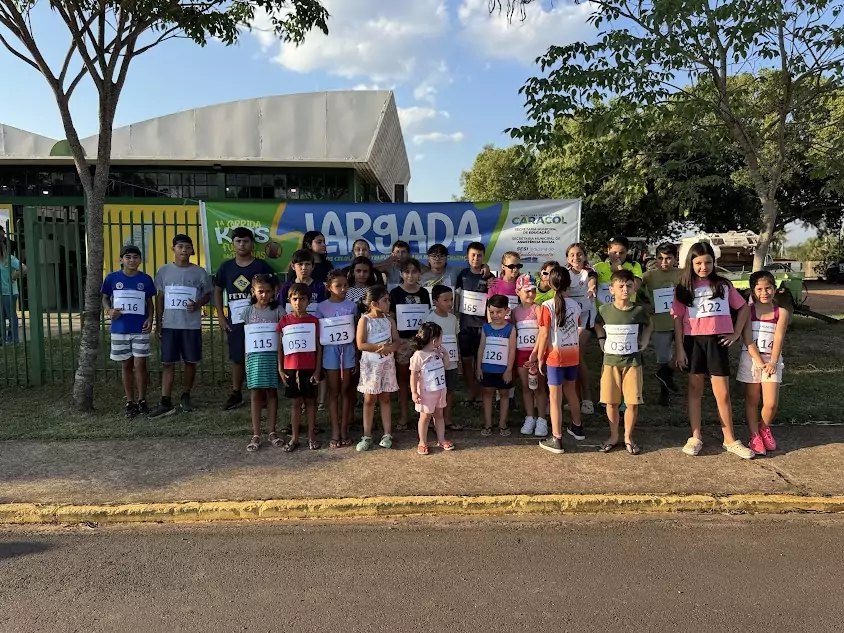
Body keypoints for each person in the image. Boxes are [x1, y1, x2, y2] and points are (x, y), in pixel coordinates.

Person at [672, 242, 754, 459]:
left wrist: (736, 333)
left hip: (718, 343)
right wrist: (679, 349)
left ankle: (729, 439)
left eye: (708, 262)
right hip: (693, 342)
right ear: (690, 263)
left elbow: (743, 307)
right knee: (695, 389)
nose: (703, 267)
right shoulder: (683, 287)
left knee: (723, 393)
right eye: (698, 263)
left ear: (713, 263)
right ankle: (695, 436)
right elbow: (678, 320)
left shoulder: (723, 285)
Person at [149, 235, 212, 418]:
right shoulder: (164, 271)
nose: (184, 250)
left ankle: (186, 394)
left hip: (191, 326)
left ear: (193, 250)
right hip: (169, 325)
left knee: (190, 361)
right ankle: (165, 400)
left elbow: (208, 295)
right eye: (180, 246)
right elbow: (160, 298)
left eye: (188, 247)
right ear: (173, 249)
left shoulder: (200, 273)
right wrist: (158, 324)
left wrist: (199, 303)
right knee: (168, 362)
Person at [213, 227, 275, 411]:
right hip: (236, 321)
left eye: (246, 241)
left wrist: (267, 308)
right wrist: (221, 316)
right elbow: (217, 290)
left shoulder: (261, 266)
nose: (242, 244)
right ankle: (236, 392)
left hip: (259, 321)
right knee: (238, 357)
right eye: (238, 241)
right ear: (233, 244)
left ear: (252, 244)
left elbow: (275, 287)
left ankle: (262, 393)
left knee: (260, 355)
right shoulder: (226, 267)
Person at [594, 269, 653, 455]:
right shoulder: (604, 310)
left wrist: (645, 339)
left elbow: (649, 323)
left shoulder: (638, 310)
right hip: (610, 362)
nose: (625, 289)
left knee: (631, 402)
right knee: (611, 402)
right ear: (611, 289)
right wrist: (601, 338)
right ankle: (613, 436)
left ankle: (628, 436)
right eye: (620, 286)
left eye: (629, 285)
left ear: (634, 287)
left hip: (633, 363)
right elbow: (597, 323)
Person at [101, 244, 155, 417]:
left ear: (140, 260)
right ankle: (129, 402)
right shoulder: (112, 278)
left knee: (140, 364)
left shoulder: (145, 279)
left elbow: (150, 303)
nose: (132, 260)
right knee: (126, 364)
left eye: (135, 257)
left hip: (140, 329)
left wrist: (149, 318)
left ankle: (142, 400)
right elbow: (104, 298)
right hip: (120, 329)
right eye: (128, 257)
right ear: (121, 259)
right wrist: (108, 310)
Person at [738, 271, 789, 455]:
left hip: (772, 362)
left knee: (771, 403)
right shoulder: (747, 311)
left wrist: (773, 361)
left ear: (775, 289)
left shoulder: (781, 312)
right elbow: (748, 340)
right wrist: (759, 363)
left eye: (768, 288)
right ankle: (754, 435)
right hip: (751, 361)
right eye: (759, 289)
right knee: (752, 399)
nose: (764, 292)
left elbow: (779, 336)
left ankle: (764, 428)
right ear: (753, 291)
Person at [535, 267, 583, 454]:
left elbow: (544, 334)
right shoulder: (576, 305)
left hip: (555, 357)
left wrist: (540, 357)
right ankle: (577, 427)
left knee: (555, 398)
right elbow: (577, 327)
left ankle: (556, 438)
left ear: (550, 283)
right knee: (571, 391)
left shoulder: (547, 306)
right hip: (573, 354)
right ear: (568, 283)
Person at [277, 282, 323, 451]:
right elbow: (280, 347)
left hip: (309, 368)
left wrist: (318, 370)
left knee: (311, 402)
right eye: (295, 299)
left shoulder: (314, 322)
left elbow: (319, 347)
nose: (298, 302)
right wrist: (281, 369)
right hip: (290, 369)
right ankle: (295, 437)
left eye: (302, 299)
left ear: (309, 301)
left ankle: (312, 436)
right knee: (295, 403)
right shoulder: (284, 321)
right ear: (289, 300)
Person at [241, 274, 284, 452]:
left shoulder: (278, 311)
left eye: (268, 291)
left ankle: (272, 431)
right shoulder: (248, 311)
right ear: (253, 292)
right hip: (254, 358)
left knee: (272, 393)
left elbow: (283, 336)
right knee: (256, 394)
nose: (264, 295)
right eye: (260, 291)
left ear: (273, 292)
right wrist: (245, 358)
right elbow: (246, 335)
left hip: (272, 357)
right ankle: (256, 433)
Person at [355, 285, 400, 451]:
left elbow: (397, 341)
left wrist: (390, 348)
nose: (389, 303)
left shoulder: (389, 320)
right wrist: (379, 347)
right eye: (385, 300)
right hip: (370, 365)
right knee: (369, 399)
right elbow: (360, 344)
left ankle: (387, 433)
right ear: (374, 304)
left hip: (387, 364)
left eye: (388, 300)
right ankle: (367, 435)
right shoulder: (364, 320)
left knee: (385, 397)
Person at [317, 269, 358, 448]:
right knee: (334, 392)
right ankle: (335, 430)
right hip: (330, 352)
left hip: (348, 351)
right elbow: (319, 336)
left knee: (346, 390)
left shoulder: (352, 306)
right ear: (328, 287)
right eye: (338, 286)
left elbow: (357, 332)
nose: (343, 289)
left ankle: (344, 429)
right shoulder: (321, 307)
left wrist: (357, 355)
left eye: (345, 285)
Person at [389, 258, 431, 431]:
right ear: (401, 274)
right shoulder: (395, 293)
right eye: (407, 271)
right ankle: (404, 416)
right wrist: (395, 339)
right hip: (402, 341)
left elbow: (427, 317)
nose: (411, 275)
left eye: (414, 271)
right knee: (403, 379)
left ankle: (424, 415)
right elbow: (390, 318)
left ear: (419, 273)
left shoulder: (423, 293)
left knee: (422, 379)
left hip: (420, 342)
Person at [641, 243, 682, 406]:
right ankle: (664, 391)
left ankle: (667, 375)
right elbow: (632, 287)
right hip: (660, 324)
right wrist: (643, 304)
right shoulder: (649, 275)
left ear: (675, 259)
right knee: (663, 358)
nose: (664, 262)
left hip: (681, 323)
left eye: (668, 258)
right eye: (660, 258)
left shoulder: (683, 274)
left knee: (684, 355)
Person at [456, 241, 493, 405]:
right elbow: (456, 296)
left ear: (484, 257)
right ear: (467, 257)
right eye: (473, 255)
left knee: (481, 360)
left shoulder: (489, 276)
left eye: (479, 256)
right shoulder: (462, 274)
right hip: (464, 325)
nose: (476, 258)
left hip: (482, 326)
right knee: (466, 360)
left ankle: (479, 392)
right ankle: (470, 390)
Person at [410, 322, 455, 455]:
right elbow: (413, 374)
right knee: (425, 416)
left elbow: (446, 366)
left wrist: (445, 355)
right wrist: (414, 392)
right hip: (426, 393)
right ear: (434, 340)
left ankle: (441, 439)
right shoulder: (418, 355)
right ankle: (422, 442)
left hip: (440, 390)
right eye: (441, 337)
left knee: (439, 415)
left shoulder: (437, 352)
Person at [512, 274, 548, 437]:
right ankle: (529, 417)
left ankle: (542, 419)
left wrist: (535, 354)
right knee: (526, 388)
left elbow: (543, 332)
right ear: (518, 291)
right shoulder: (514, 312)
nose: (531, 294)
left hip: (537, 354)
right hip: (521, 355)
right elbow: (513, 333)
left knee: (539, 388)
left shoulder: (538, 308)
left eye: (533, 291)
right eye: (527, 291)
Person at [477, 294, 517, 437]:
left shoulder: (511, 329)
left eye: (499, 312)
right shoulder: (486, 327)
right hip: (487, 369)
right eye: (492, 312)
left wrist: (509, 370)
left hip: (503, 370)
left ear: (507, 311)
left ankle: (502, 424)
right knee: (487, 394)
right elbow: (481, 348)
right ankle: (488, 424)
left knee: (504, 395)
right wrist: (479, 367)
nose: (495, 315)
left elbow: (513, 350)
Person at [424, 284, 461, 430]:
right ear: (435, 301)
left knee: (449, 390)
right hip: (434, 364)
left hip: (451, 362)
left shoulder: (453, 318)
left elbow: (455, 338)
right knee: (435, 391)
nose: (450, 303)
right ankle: (434, 421)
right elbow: (425, 340)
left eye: (451, 300)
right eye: (445, 300)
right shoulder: (429, 318)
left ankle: (447, 419)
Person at [594, 236, 643, 307]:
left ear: (627, 252)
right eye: (614, 252)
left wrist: (620, 270)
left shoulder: (634, 266)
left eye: (621, 253)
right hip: (602, 313)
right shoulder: (598, 267)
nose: (617, 256)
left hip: (625, 312)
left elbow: (635, 286)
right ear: (608, 251)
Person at [278, 249, 327, 315]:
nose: (304, 268)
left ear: (313, 266)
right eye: (300, 264)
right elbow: (281, 310)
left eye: (307, 264)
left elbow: (324, 310)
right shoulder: (286, 288)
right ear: (293, 266)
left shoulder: (320, 287)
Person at [0, 232, 25, 345]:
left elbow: (24, 268)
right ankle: (2, 339)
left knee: (11, 316)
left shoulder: (10, 259)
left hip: (9, 292)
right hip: (2, 292)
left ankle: (13, 339)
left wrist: (14, 276)